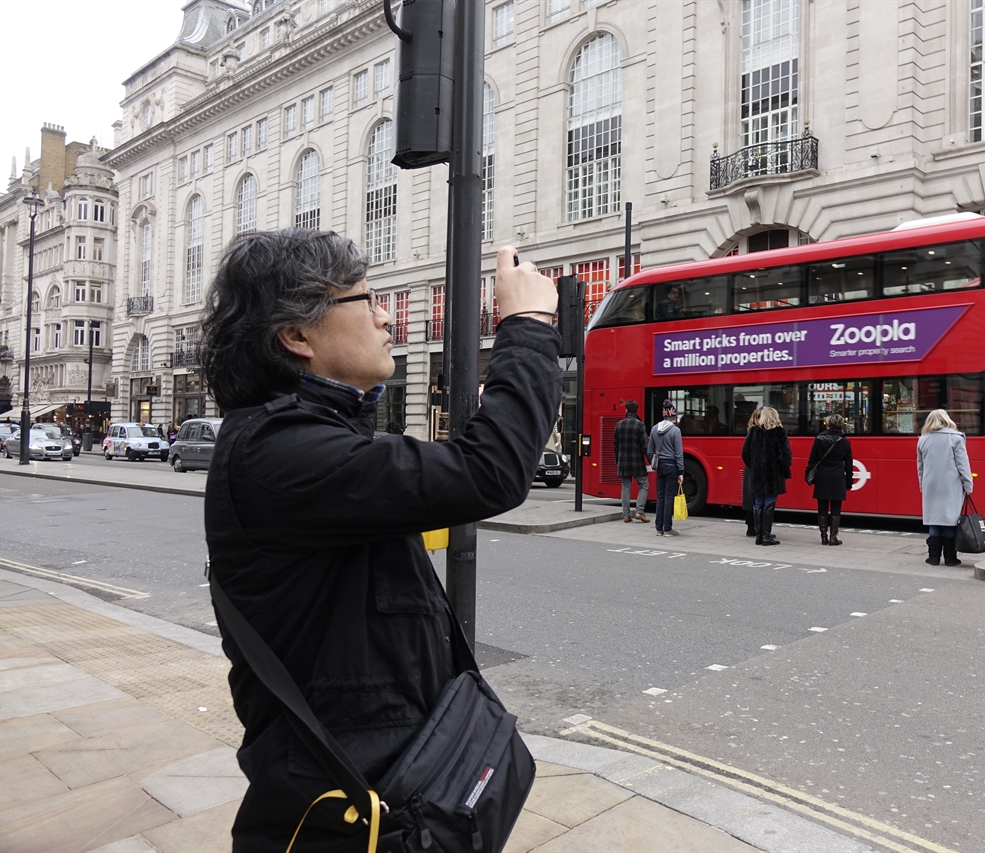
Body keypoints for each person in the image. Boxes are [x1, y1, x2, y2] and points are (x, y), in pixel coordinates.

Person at [200, 230, 561, 852]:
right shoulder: (280, 451)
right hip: (351, 807)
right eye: (366, 302)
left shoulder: (311, 438)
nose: (386, 315)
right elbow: (488, 473)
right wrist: (526, 327)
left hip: (388, 783)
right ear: (296, 335)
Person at [917, 408, 973, 567]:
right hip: (951, 486)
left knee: (934, 521)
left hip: (930, 485)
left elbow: (920, 467)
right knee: (950, 521)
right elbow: (963, 465)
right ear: (947, 420)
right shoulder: (956, 438)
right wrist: (968, 485)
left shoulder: (922, 440)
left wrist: (922, 485)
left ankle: (933, 557)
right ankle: (950, 558)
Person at [742, 406, 791, 546]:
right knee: (769, 501)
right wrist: (782, 468)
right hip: (772, 474)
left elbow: (745, 453)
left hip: (757, 473)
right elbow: (785, 457)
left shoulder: (753, 431)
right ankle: (766, 536)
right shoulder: (779, 432)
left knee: (758, 502)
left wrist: (754, 466)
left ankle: (758, 535)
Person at [807, 413, 854, 546]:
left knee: (822, 506)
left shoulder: (819, 439)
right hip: (837, 476)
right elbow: (849, 465)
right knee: (836, 507)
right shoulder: (845, 442)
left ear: (827, 424)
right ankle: (833, 537)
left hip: (822, 475)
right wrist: (849, 482)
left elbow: (812, 460)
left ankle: (823, 537)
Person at [646, 399, 684, 536]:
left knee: (660, 497)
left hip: (660, 465)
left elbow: (650, 451)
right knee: (669, 497)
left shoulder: (654, 429)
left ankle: (658, 529)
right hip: (672, 466)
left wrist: (654, 461)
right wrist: (681, 471)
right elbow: (678, 453)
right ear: (673, 416)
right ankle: (668, 528)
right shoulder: (675, 431)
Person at [613, 399, 650, 523]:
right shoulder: (640, 425)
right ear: (636, 410)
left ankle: (626, 515)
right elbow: (645, 445)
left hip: (624, 462)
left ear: (626, 410)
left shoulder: (619, 425)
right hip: (637, 461)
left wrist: (617, 460)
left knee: (625, 487)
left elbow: (616, 445)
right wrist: (651, 460)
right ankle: (639, 512)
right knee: (643, 484)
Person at [741, 408, 762, 536]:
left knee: (751, 497)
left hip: (750, 467)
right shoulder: (757, 432)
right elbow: (745, 452)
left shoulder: (750, 430)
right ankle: (755, 528)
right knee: (756, 497)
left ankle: (751, 527)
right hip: (754, 467)